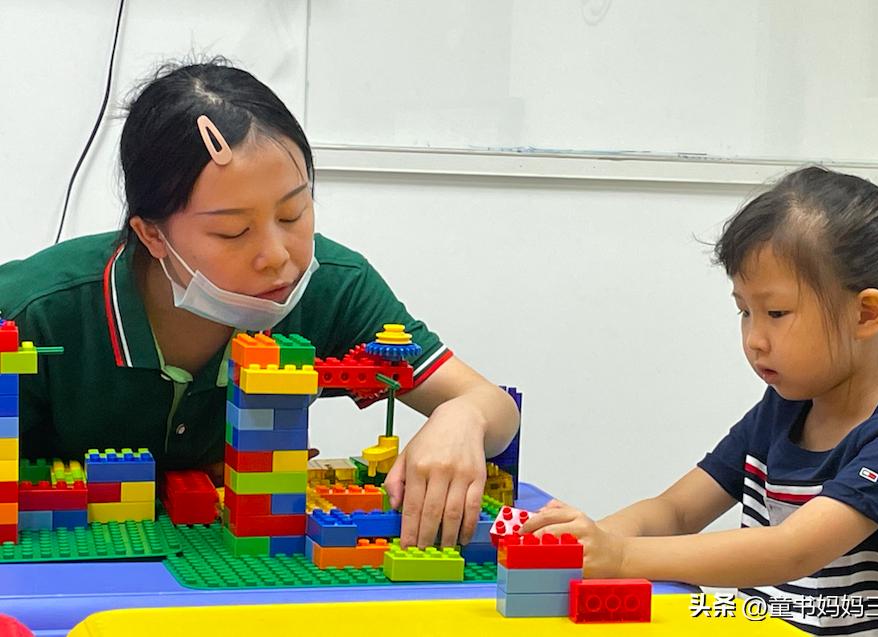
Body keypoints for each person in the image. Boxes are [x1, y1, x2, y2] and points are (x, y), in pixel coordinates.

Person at [0, 60, 519, 549]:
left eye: (293, 215)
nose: (276, 256)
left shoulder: (334, 287)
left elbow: (495, 408)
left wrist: (462, 416)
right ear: (152, 235)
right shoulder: (35, 312)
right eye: (232, 231)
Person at [522, 167, 878, 635]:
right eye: (744, 312)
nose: (754, 339)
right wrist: (586, 541)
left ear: (865, 314)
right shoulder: (781, 412)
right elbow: (676, 511)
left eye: (776, 312)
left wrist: (621, 555)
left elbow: (792, 551)